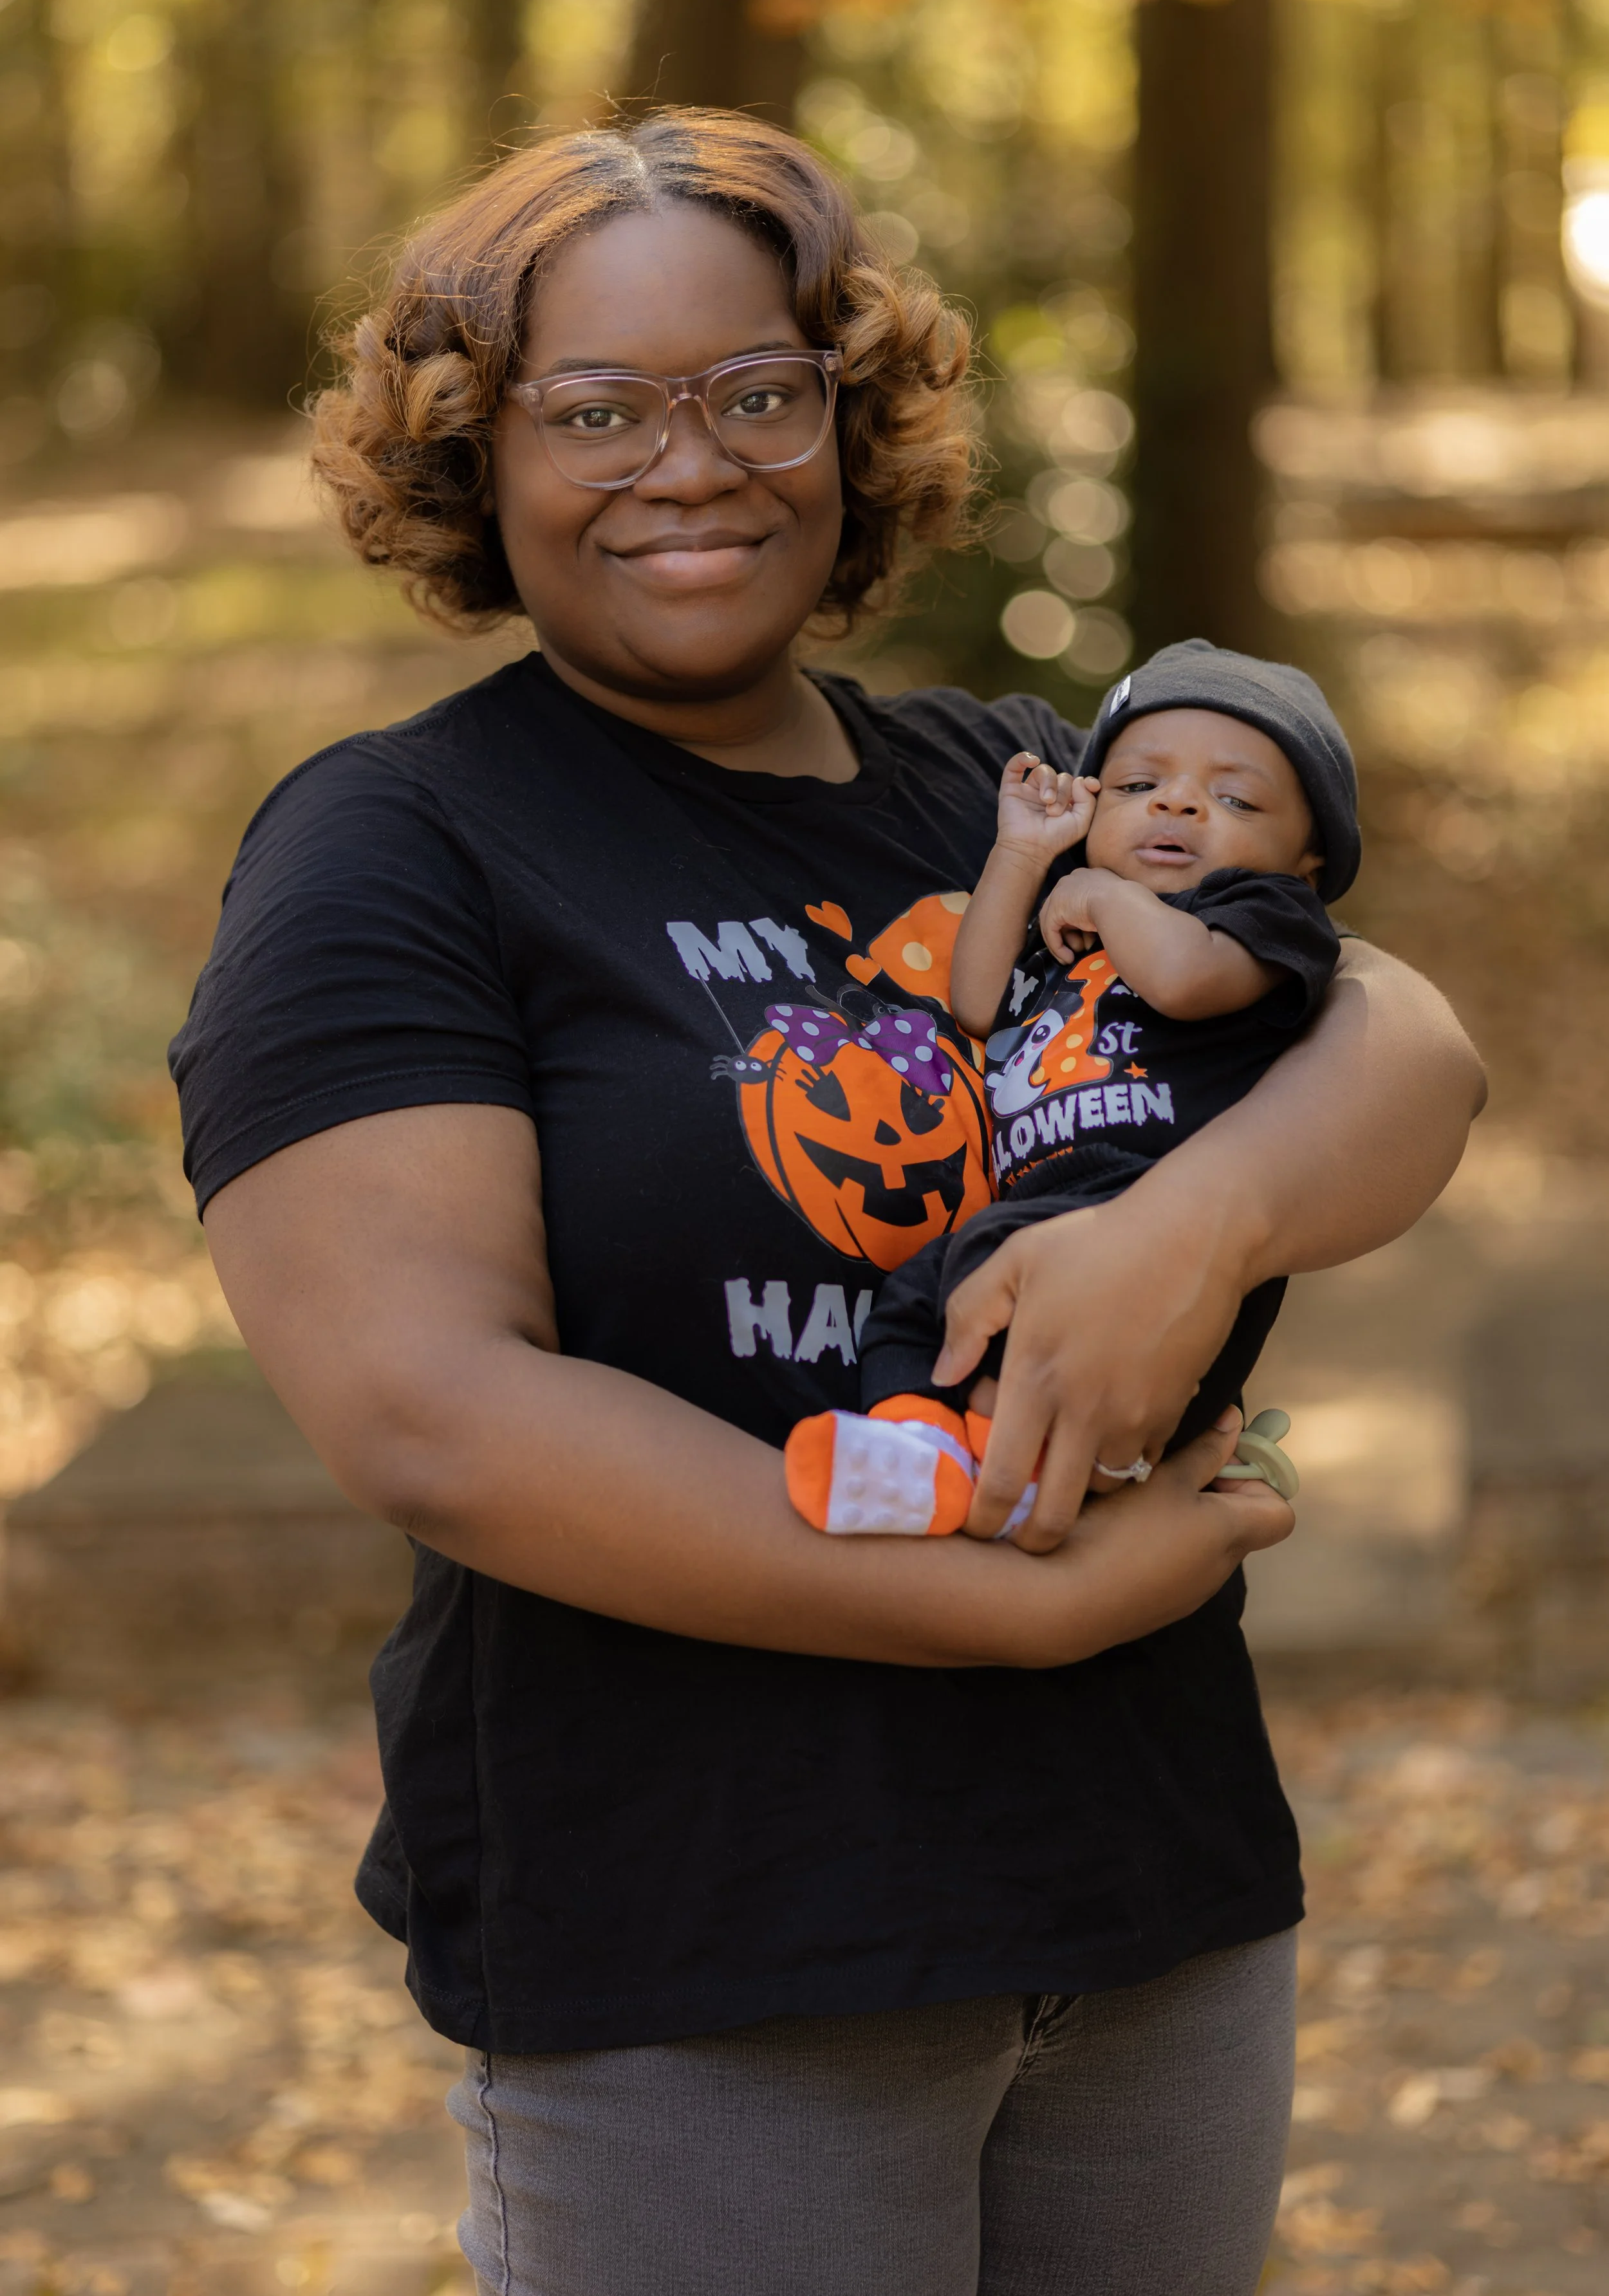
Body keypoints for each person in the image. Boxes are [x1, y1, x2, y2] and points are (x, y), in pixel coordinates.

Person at [170, 111, 1483, 2296]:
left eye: (758, 391)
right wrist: (1003, 1608)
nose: (690, 464)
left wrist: (1191, 1226)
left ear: (852, 427)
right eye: (597, 409)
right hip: (711, 1952)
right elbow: (430, 1411)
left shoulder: (1008, 789)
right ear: (477, 456)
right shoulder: (399, 843)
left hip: (1145, 1897)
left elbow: (1403, 1040)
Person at [784, 639, 1350, 1542]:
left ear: (1307, 858)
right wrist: (1023, 854)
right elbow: (975, 1003)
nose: (1177, 802)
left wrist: (1103, 895)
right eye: (1138, 786)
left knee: (1055, 1357)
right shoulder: (1069, 924)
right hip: (1031, 1210)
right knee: (916, 1302)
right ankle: (918, 1447)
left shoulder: (1264, 916)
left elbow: (1183, 981)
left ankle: (1012, 1479)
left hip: (1150, 1210)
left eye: (1236, 799)